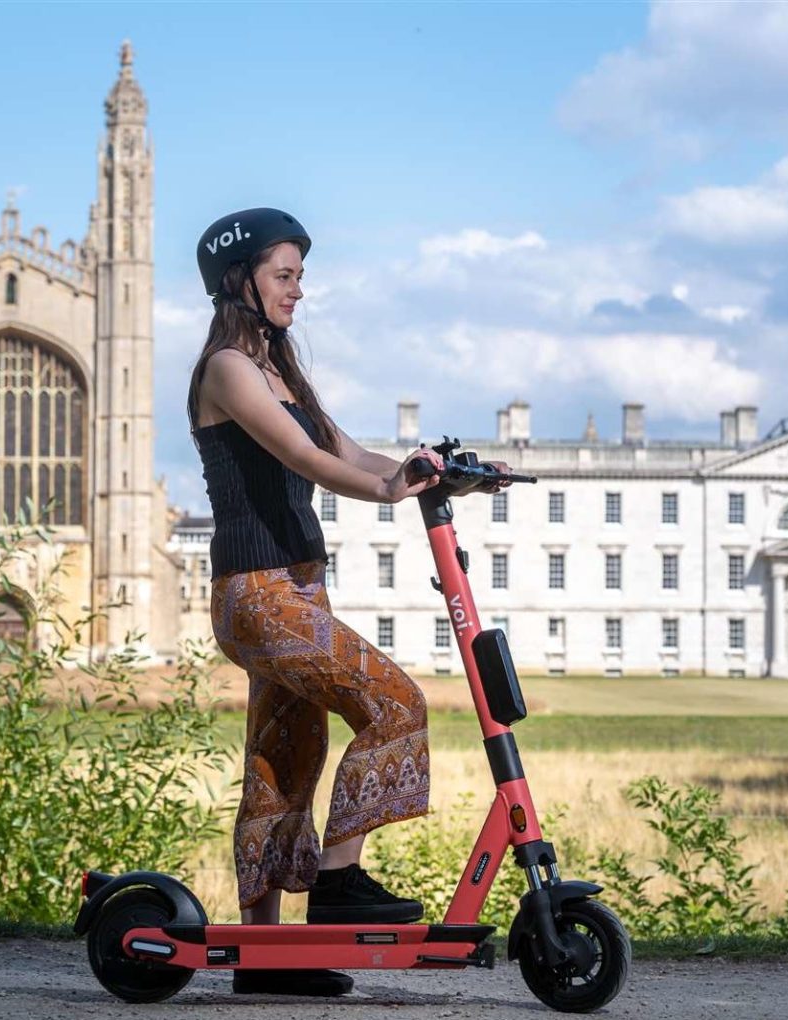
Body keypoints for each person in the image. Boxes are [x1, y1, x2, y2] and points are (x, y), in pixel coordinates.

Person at [188, 208, 502, 997]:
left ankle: (263, 959)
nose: (298, 289)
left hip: (297, 586)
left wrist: (431, 472)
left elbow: (346, 448)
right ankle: (337, 883)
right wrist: (387, 490)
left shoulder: (280, 371)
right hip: (256, 592)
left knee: (284, 761)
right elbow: (304, 457)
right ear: (240, 280)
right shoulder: (228, 368)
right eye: (284, 275)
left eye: (300, 275)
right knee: (395, 703)